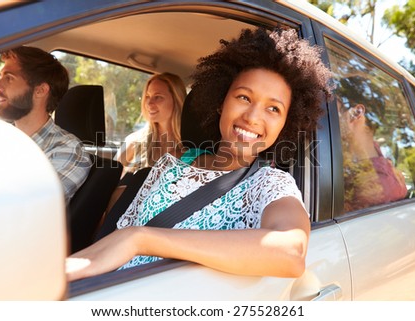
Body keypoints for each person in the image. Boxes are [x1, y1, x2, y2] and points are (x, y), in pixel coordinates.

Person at [66, 27, 333, 281]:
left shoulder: (270, 185)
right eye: (243, 97)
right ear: (221, 103)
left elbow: (290, 252)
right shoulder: (169, 166)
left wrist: (141, 239)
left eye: (273, 109)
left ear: (286, 122)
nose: (252, 117)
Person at [0, 46, 92, 204]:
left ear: (40, 90)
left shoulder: (67, 150)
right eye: (1, 77)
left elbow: (24, 209)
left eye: (9, 78)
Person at [336, 93, 408, 212]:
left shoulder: (380, 179)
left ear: (357, 113)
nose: (332, 122)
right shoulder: (383, 166)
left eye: (336, 114)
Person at [114, 72, 187, 179]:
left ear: (177, 100)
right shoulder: (134, 142)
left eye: (158, 97)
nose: (149, 103)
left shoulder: (191, 146)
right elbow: (107, 182)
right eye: (147, 96)